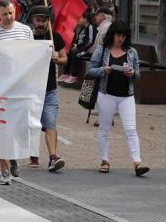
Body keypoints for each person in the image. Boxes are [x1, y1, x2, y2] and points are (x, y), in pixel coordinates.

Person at [86, 20, 149, 177]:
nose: (120, 39)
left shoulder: (132, 52)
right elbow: (91, 70)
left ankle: (137, 162)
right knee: (104, 129)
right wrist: (103, 70)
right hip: (106, 94)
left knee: (131, 129)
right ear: (112, 35)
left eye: (123, 36)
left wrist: (133, 74)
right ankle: (104, 161)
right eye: (118, 35)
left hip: (126, 96)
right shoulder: (102, 50)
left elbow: (138, 75)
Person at [0, 0, 33, 185]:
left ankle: (13, 158)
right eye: (5, 14)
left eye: (11, 13)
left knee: (19, 128)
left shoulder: (26, 30)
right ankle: (4, 169)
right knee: (1, 128)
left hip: (20, 88)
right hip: (0, 88)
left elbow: (32, 55)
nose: (9, 17)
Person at [28, 6, 67, 172]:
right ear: (33, 21)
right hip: (30, 90)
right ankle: (33, 156)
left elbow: (65, 58)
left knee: (50, 123)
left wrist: (58, 58)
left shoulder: (54, 37)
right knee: (32, 125)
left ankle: (53, 157)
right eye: (38, 20)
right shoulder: (27, 38)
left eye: (44, 20)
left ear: (48, 22)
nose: (41, 23)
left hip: (49, 89)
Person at [61, 11, 95, 84]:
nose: (78, 19)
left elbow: (90, 41)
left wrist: (79, 47)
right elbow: (78, 40)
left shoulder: (90, 27)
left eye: (80, 18)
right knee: (69, 53)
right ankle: (66, 73)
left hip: (87, 51)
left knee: (76, 54)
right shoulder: (82, 28)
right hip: (80, 49)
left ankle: (74, 76)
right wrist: (75, 45)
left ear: (85, 19)